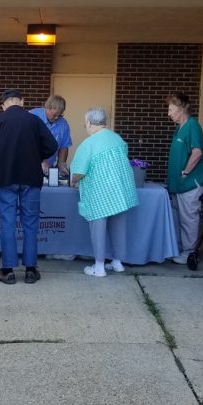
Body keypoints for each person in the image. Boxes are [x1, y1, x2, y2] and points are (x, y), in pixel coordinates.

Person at [0, 89, 58, 285]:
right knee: (31, 223)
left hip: (5, 179)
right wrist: (36, 156)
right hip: (31, 179)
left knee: (7, 222)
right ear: (22, 102)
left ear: (3, 105)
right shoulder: (34, 120)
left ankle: (7, 271)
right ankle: (31, 270)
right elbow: (52, 145)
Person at [69, 107, 139, 277]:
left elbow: (78, 172)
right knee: (118, 228)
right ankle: (117, 262)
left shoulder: (89, 144)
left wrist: (73, 181)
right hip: (121, 192)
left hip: (100, 193)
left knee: (98, 230)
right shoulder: (118, 139)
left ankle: (99, 267)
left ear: (89, 123)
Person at [165, 92, 203, 265]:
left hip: (189, 184)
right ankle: (179, 249)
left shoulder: (192, 126)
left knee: (188, 219)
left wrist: (185, 172)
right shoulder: (179, 128)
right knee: (178, 218)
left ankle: (189, 253)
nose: (168, 113)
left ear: (181, 109)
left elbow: (197, 152)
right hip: (178, 185)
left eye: (171, 109)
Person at [30, 95, 72, 175]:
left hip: (48, 168)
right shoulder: (32, 116)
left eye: (59, 115)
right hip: (29, 165)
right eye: (54, 115)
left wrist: (61, 163)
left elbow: (64, 146)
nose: (56, 118)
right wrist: (42, 161)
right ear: (48, 108)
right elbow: (27, 142)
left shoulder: (63, 124)